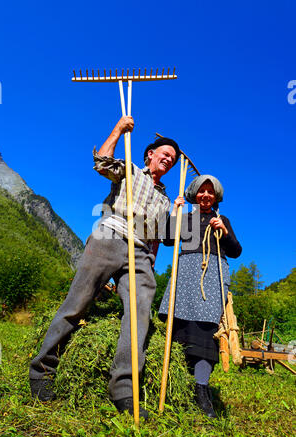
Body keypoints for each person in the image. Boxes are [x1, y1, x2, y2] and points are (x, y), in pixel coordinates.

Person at [29, 116, 181, 420]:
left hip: (140, 252)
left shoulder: (165, 198)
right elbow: (101, 163)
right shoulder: (130, 170)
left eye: (174, 159)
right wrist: (119, 129)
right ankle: (41, 371)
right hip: (110, 235)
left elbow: (165, 239)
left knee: (139, 317)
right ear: (150, 154)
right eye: (165, 153)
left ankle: (124, 389)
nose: (169, 159)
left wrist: (177, 214)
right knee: (77, 303)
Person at [159, 175, 242, 418]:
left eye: (210, 192)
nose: (205, 196)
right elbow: (167, 239)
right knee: (181, 328)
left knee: (206, 331)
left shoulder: (221, 219)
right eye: (201, 192)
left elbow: (236, 251)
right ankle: (179, 382)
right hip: (185, 274)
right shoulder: (186, 217)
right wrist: (174, 212)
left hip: (211, 276)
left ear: (216, 197)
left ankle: (201, 389)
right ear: (195, 195)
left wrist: (224, 231)